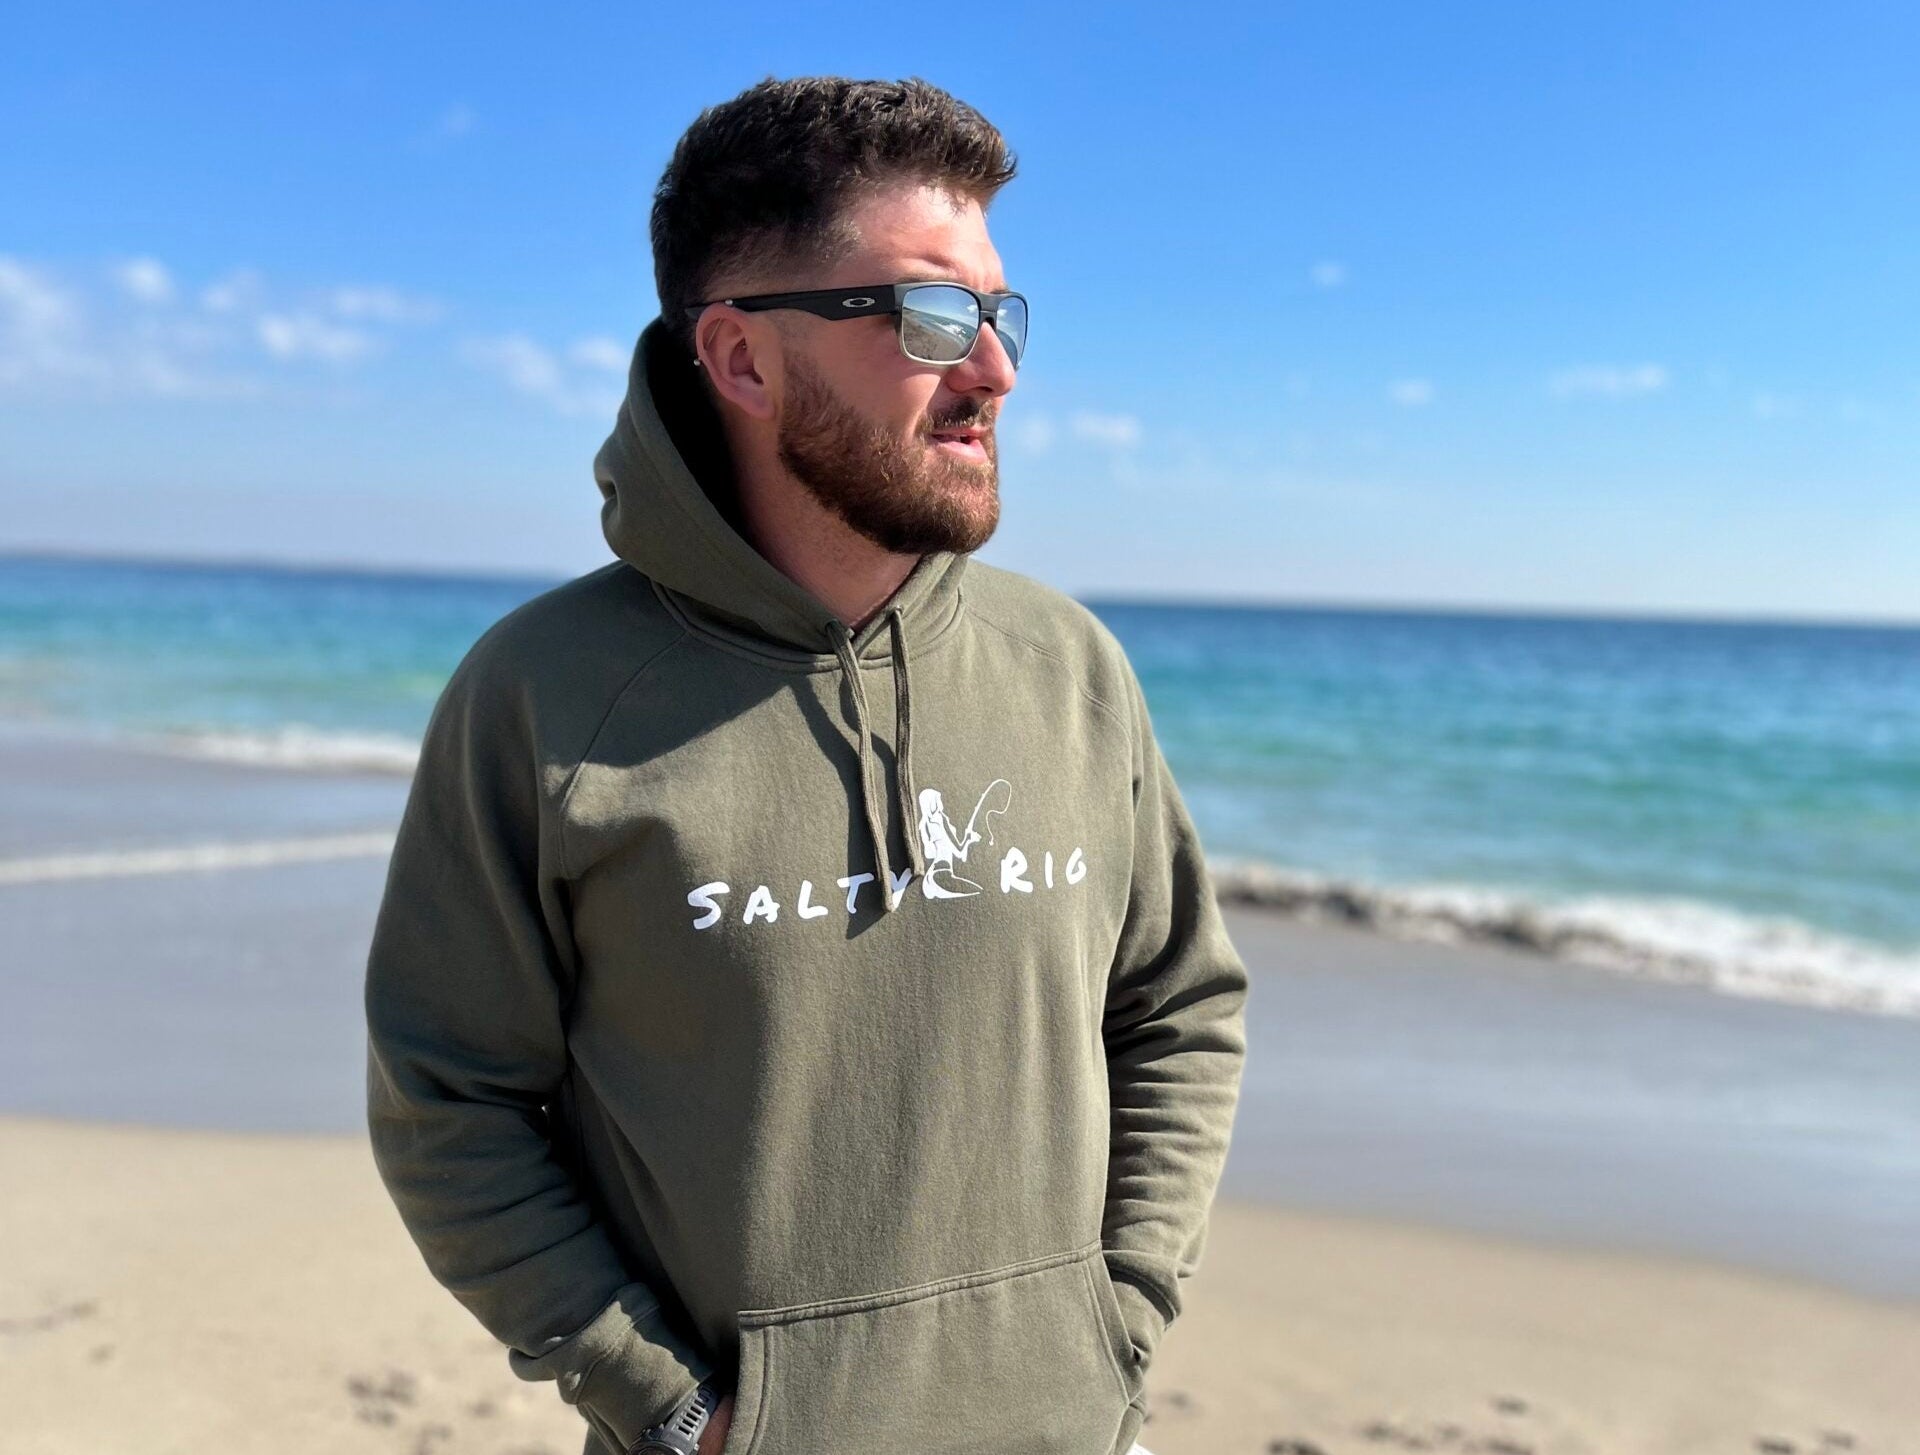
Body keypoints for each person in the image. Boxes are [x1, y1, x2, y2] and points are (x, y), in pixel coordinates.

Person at [363, 74, 1248, 1455]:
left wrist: (1120, 1316)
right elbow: (448, 1098)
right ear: (742, 359)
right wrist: (671, 1406)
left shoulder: (1067, 664)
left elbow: (1177, 1009)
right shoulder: (544, 696)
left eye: (1002, 314)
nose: (996, 372)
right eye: (932, 314)